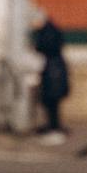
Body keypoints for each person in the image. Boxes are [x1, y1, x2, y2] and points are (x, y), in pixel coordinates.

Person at [32, 12, 70, 142]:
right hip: (54, 71)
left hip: (53, 72)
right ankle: (53, 125)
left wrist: (37, 47)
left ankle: (54, 126)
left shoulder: (48, 32)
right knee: (51, 103)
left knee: (52, 102)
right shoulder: (51, 30)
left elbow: (43, 47)